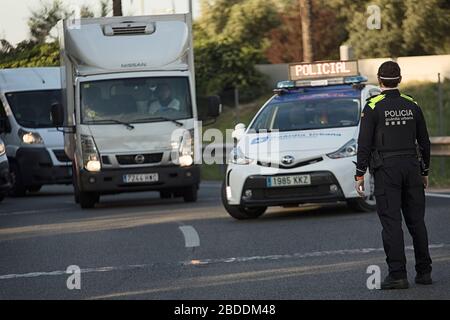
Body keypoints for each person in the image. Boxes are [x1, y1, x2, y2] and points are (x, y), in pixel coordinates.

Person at [355, 61, 432, 290]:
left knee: (391, 223)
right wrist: (424, 171)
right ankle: (424, 272)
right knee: (417, 222)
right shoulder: (412, 104)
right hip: (411, 167)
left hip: (386, 171)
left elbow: (364, 144)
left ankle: (397, 275)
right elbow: (425, 142)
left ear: (379, 80)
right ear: (399, 79)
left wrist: (360, 174)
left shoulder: (372, 106)